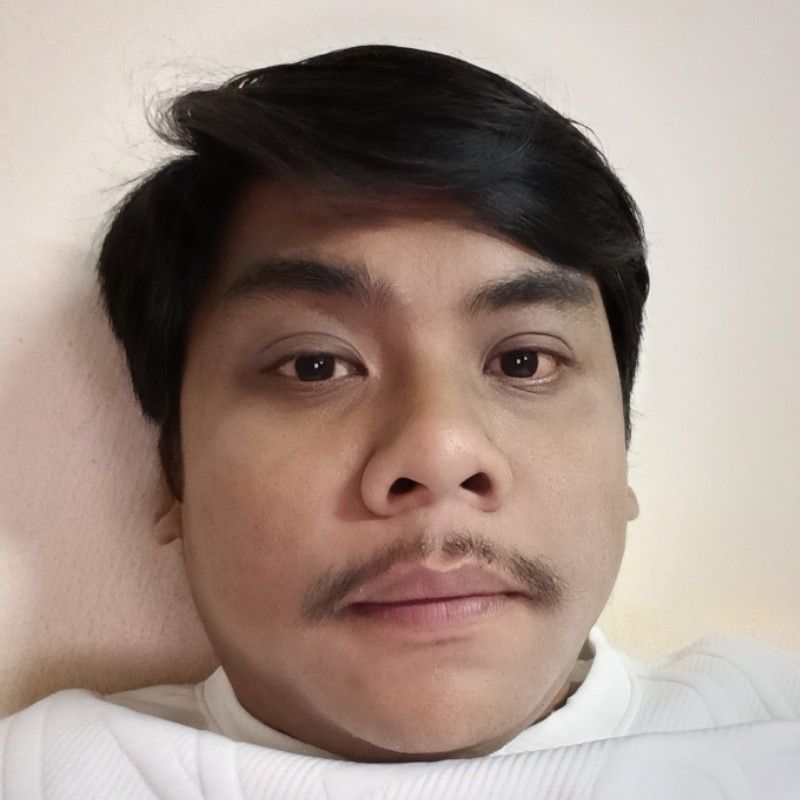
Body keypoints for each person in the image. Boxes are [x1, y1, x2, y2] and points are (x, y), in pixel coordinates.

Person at [1, 44, 798, 798]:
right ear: (173, 473)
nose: (440, 451)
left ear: (622, 452)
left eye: (524, 361)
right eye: (314, 365)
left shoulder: (765, 727)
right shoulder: (47, 773)